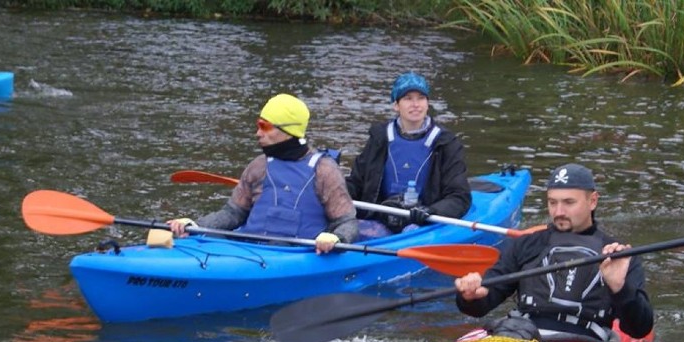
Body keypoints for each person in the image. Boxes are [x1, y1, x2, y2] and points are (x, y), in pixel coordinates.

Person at [454, 163, 653, 342]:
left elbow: (639, 328)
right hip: (523, 333)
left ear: (592, 201)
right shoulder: (527, 244)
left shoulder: (617, 254)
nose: (559, 211)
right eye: (552, 202)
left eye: (568, 202)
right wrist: (471, 296)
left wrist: (620, 288)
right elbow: (481, 306)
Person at [169, 93, 358, 254]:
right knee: (207, 235)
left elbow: (347, 222)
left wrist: (336, 237)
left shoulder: (324, 170)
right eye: (258, 125)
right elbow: (232, 214)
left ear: (288, 130)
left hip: (295, 253)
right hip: (250, 250)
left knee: (280, 242)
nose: (258, 133)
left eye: (265, 127)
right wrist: (194, 224)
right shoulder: (258, 166)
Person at [345, 72, 471, 236]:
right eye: (408, 98)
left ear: (427, 103)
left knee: (410, 232)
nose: (415, 104)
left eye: (420, 98)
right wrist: (332, 197)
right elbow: (356, 183)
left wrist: (432, 212)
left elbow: (459, 196)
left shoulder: (446, 143)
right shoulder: (379, 138)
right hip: (380, 219)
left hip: (424, 223)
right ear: (396, 105)